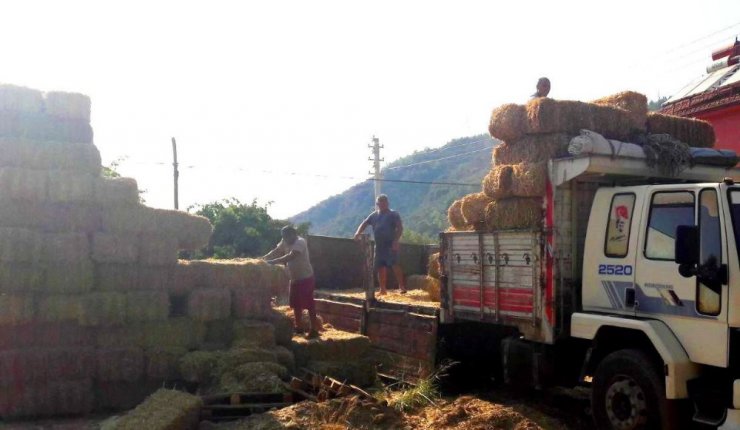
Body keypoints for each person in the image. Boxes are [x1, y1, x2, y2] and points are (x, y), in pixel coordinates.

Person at [263, 226, 319, 338]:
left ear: (293, 234)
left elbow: (291, 256)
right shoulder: (285, 240)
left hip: (305, 277)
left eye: (286, 237)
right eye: (283, 237)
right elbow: (277, 250)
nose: (285, 239)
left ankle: (314, 330)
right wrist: (263, 258)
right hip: (294, 278)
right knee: (296, 304)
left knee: (308, 304)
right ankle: (299, 328)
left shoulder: (300, 242)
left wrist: (272, 262)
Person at [354, 194, 406, 296]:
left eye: (384, 202)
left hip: (390, 244)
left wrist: (396, 241)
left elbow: (400, 228)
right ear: (377, 204)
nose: (382, 204)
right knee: (380, 267)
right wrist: (357, 233)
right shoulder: (373, 215)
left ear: (387, 203)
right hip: (379, 246)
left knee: (394, 265)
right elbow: (364, 223)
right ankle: (383, 289)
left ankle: (402, 286)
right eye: (380, 202)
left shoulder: (393, 214)